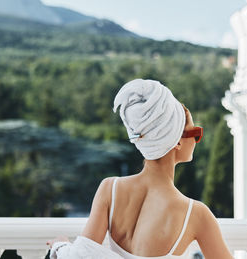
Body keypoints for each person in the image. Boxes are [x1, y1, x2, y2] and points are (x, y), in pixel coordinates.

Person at [46, 79, 234, 259]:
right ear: (176, 140)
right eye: (195, 133)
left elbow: (81, 256)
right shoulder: (196, 214)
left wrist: (61, 246)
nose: (196, 140)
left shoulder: (110, 189)